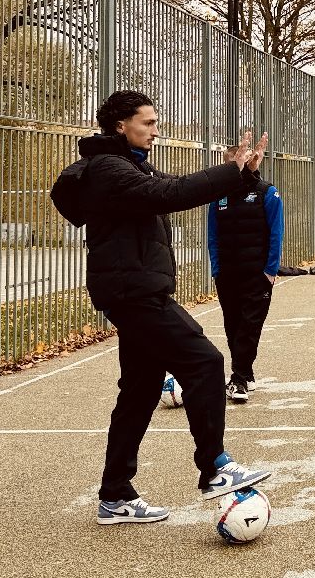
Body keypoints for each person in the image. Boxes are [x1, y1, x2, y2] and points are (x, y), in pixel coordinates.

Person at [50, 90, 272, 525]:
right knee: (206, 363)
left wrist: (241, 175)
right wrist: (230, 170)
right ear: (121, 126)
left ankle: (115, 495)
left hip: (132, 289)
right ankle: (215, 468)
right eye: (147, 123)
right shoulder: (110, 170)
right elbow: (171, 193)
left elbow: (178, 186)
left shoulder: (127, 165)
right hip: (134, 293)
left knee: (140, 390)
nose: (155, 130)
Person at [208, 147, 284, 404]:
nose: (236, 165)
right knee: (233, 325)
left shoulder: (267, 193)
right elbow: (213, 236)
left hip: (257, 275)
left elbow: (276, 234)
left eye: (241, 160)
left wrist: (270, 271)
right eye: (232, 161)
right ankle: (246, 372)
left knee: (250, 326)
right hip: (228, 275)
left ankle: (238, 379)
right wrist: (217, 269)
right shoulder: (218, 197)